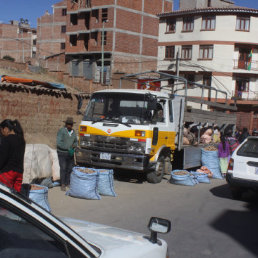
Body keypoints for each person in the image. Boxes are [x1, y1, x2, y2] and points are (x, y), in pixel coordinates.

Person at [0, 119, 26, 192]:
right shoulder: (21, 140)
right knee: (16, 196)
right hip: (19, 173)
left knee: (5, 194)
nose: (1, 133)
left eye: (1, 130)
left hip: (8, 173)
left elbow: (2, 158)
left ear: (6, 129)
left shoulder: (7, 140)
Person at [57, 117, 78, 191]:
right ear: (66, 124)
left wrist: (74, 146)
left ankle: (67, 183)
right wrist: (68, 148)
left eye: (71, 125)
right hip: (62, 153)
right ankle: (62, 184)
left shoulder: (73, 132)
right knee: (63, 168)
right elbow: (59, 143)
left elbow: (75, 141)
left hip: (70, 153)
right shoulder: (61, 131)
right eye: (68, 124)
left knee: (69, 168)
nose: (69, 126)